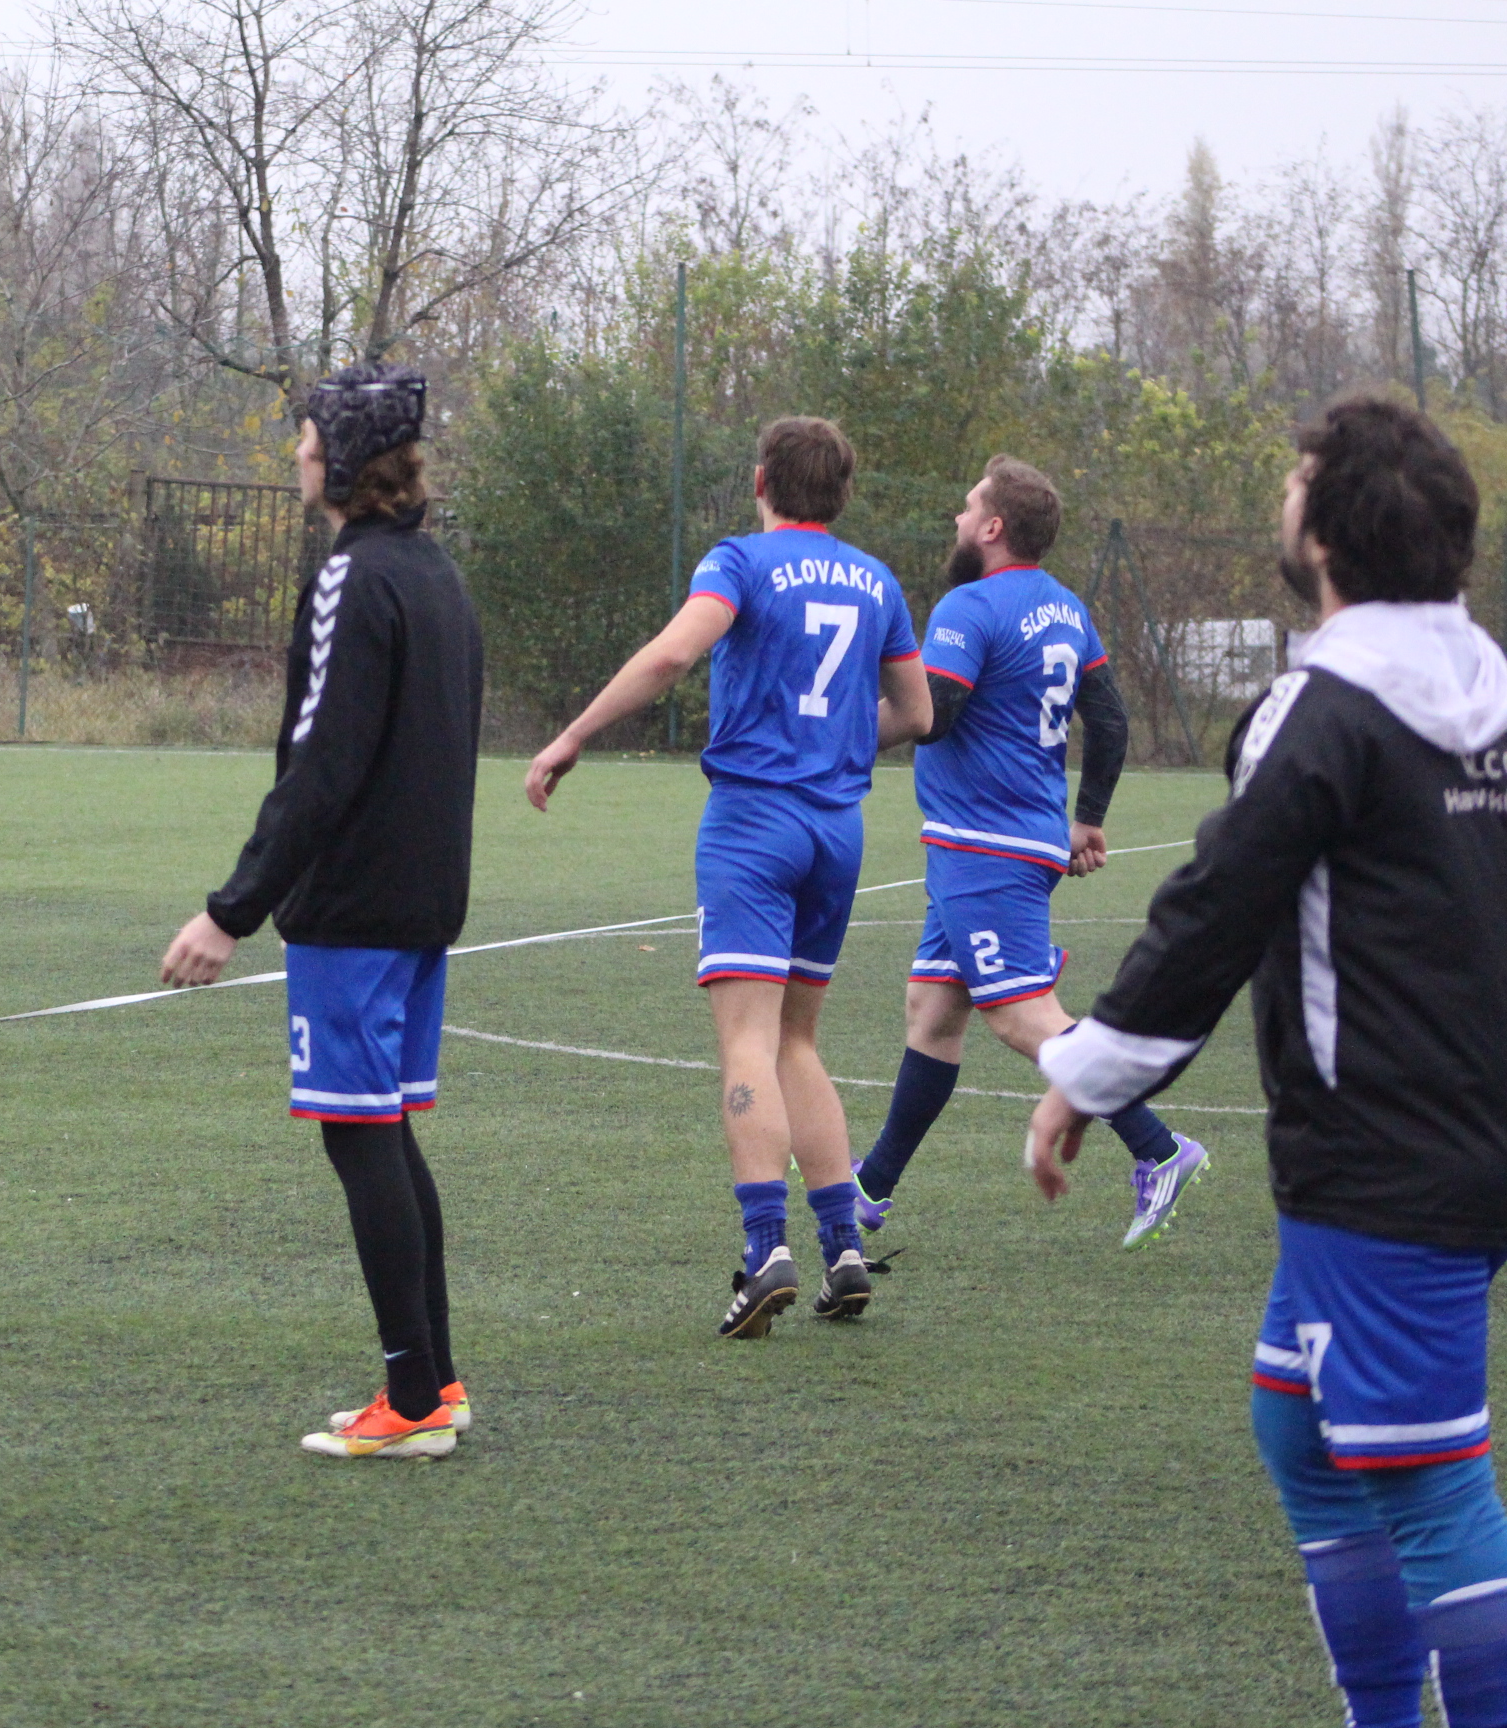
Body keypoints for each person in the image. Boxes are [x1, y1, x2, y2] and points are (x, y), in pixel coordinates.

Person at [1028, 395, 1507, 1728]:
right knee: (1301, 1429)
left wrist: (1088, 1074)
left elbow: (1213, 912)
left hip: (1382, 1156)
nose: (1280, 502)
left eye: (1295, 483)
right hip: (1457, 1134)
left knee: (1429, 1481)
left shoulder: (1322, 710)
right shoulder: (1492, 688)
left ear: (1329, 535)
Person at [526, 416, 932, 1339]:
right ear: (841, 493)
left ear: (760, 482)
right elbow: (917, 713)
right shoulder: (876, 581)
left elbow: (676, 652)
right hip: (838, 831)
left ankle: (765, 1252)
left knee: (747, 1040)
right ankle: (844, 1251)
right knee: (798, 1043)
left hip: (754, 825)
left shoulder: (740, 562)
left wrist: (575, 735)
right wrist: (837, 740)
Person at [159, 362, 483, 1461]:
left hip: (356, 905)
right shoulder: (434, 571)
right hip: (421, 899)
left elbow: (322, 764)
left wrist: (231, 911)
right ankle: (436, 1380)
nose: (296, 454)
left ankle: (414, 1401)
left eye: (306, 439)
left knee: (358, 1136)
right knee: (385, 1131)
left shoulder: (355, 577)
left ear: (342, 462)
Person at [852, 456, 1208, 1248]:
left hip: (986, 846)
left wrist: (831, 738)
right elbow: (1108, 721)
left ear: (993, 527)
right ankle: (869, 1189)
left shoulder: (969, 605)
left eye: (966, 507)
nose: (956, 519)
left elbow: (936, 713)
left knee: (1022, 1018)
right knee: (933, 1012)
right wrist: (1086, 819)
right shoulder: (1065, 608)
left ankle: (1159, 1149)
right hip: (1011, 839)